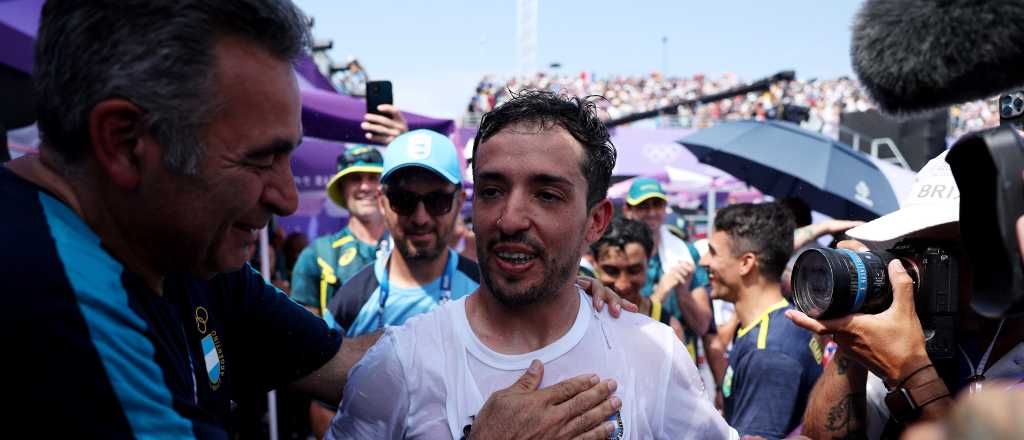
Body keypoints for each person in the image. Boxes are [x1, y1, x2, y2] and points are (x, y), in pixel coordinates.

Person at [4, 2, 635, 438]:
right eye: (261, 159)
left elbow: (354, 363)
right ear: (123, 142)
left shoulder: (186, 254)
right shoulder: (52, 303)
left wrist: (537, 308)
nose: (285, 196)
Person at [327, 90, 737, 439]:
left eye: (547, 195)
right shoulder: (400, 364)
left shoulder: (653, 353)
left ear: (596, 221)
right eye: (492, 190)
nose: (510, 219)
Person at [789, 151, 1024, 439]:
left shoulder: (909, 356)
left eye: (944, 255)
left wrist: (915, 375)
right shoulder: (911, 338)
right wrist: (852, 339)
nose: (920, 268)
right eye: (915, 248)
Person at [328, 129, 479, 335]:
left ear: (459, 202)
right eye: (403, 200)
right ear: (382, 202)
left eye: (437, 201)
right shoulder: (350, 303)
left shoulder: (486, 292)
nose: (420, 218)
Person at [700, 202, 823, 439]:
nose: (705, 261)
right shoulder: (779, 320)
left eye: (713, 252)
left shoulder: (767, 353)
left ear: (746, 263)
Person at [291, 145, 388, 316]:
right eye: (355, 179)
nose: (365, 186)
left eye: (373, 177)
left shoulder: (408, 246)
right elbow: (303, 334)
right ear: (342, 189)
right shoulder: (317, 254)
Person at [623, 177, 713, 336]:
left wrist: (683, 293)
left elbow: (702, 327)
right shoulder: (616, 255)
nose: (651, 213)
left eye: (657, 205)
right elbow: (620, 324)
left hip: (679, 354)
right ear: (627, 210)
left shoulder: (686, 252)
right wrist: (661, 293)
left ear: (665, 208)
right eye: (643, 206)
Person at [592, 217, 685, 340]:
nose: (622, 284)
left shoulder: (669, 329)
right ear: (595, 265)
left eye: (634, 270)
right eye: (611, 271)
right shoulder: (578, 316)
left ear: (648, 264)